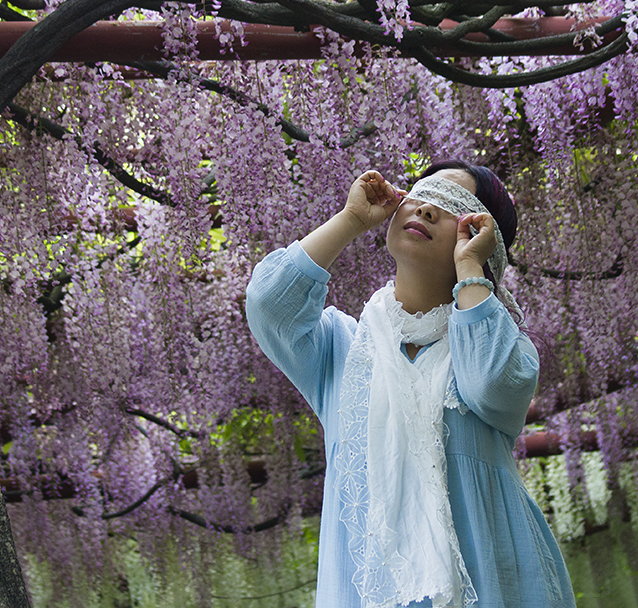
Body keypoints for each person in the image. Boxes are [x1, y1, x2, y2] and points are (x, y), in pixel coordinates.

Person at [245, 162, 575, 608]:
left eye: (452, 207)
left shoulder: (498, 346)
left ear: (482, 242)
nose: (426, 209)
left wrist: (469, 269)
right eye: (421, 194)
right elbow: (269, 304)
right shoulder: (341, 351)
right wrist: (352, 221)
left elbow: (492, 384)